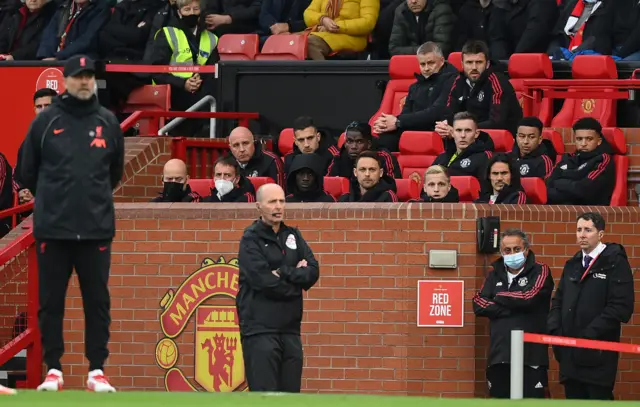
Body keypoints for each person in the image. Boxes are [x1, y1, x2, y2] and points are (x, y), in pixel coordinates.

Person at [19, 55, 124, 393]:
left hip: (96, 229)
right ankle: (54, 369)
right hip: (53, 228)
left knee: (97, 301)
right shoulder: (45, 121)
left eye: (88, 76)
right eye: (77, 76)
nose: (83, 82)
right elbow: (28, 170)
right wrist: (55, 201)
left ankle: (97, 370)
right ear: (65, 81)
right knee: (51, 301)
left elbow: (114, 174)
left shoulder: (108, 122)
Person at [237, 183, 320, 392]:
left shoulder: (293, 235)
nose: (278, 207)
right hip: (260, 330)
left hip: (290, 330)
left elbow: (313, 271)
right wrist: (295, 283)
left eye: (282, 201)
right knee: (266, 398)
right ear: (258, 206)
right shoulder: (250, 239)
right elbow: (263, 282)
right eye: (272, 202)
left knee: (290, 397)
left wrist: (284, 272)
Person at [548, 212, 635, 400]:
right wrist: (555, 330)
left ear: (600, 234)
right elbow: (558, 300)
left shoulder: (614, 262)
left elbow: (621, 307)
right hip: (569, 354)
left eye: (588, 230)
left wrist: (588, 335)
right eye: (579, 230)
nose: (582, 235)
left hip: (598, 355)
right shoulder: (572, 264)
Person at [473, 228, 554, 399]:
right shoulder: (493, 275)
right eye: (507, 250)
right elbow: (478, 303)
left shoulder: (540, 271)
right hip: (500, 356)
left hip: (531, 356)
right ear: (501, 252)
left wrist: (498, 297)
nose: (512, 254)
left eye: (517, 249)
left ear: (526, 249)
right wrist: (514, 305)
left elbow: (530, 297)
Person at [374, 42, 458, 152]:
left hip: (439, 131)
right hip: (415, 129)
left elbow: (437, 112)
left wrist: (398, 121)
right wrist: (386, 124)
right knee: (381, 141)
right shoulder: (415, 86)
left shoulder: (453, 80)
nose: (426, 68)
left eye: (431, 63)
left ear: (442, 61)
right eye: (422, 64)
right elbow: (406, 115)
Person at [437, 39, 522, 138]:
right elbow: (448, 113)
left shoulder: (497, 82)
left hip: (498, 141)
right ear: (462, 64)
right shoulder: (457, 81)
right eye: (469, 62)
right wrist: (444, 126)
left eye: (479, 62)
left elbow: (496, 122)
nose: (474, 67)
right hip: (467, 138)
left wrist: (461, 130)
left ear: (487, 64)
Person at [546, 117, 615, 206]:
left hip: (591, 211)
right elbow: (549, 182)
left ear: (599, 141)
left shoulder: (603, 159)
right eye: (579, 139)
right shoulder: (570, 157)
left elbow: (583, 190)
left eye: (589, 139)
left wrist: (560, 180)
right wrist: (575, 180)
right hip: (562, 208)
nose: (583, 144)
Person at [432, 111, 494, 180]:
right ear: (452, 133)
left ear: (476, 134)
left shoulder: (484, 157)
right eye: (458, 130)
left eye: (468, 130)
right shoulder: (441, 158)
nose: (463, 135)